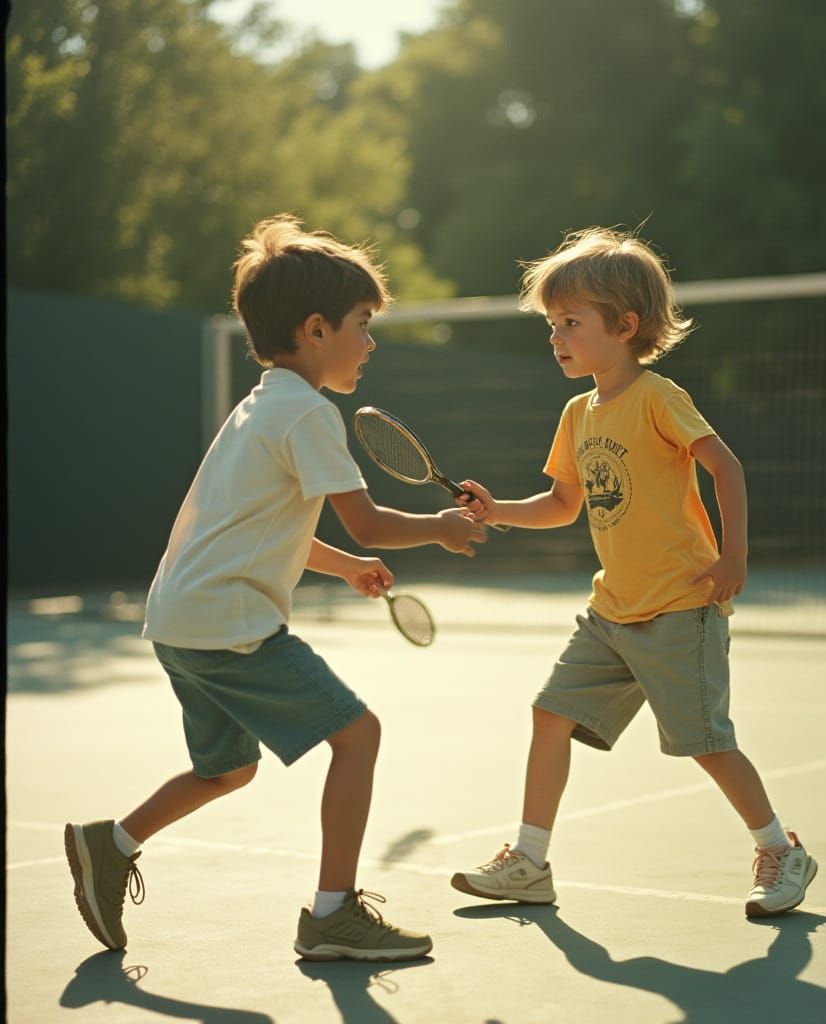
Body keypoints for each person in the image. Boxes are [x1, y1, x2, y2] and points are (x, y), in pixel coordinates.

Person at [64, 214, 486, 962]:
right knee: (359, 738)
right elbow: (371, 523)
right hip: (230, 625)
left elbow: (265, 531)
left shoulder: (259, 407)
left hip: (179, 621)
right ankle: (333, 917)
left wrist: (344, 568)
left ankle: (111, 843)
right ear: (316, 329)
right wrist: (441, 527)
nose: (372, 340)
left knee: (225, 768)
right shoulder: (310, 414)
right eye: (363, 324)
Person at [451, 226, 816, 917]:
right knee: (549, 714)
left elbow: (725, 467)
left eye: (571, 323)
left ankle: (780, 848)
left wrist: (733, 554)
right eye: (552, 324)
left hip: (681, 605)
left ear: (624, 326)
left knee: (706, 745)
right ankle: (528, 862)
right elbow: (562, 505)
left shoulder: (658, 397)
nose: (556, 336)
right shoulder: (576, 412)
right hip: (612, 613)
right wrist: (497, 510)